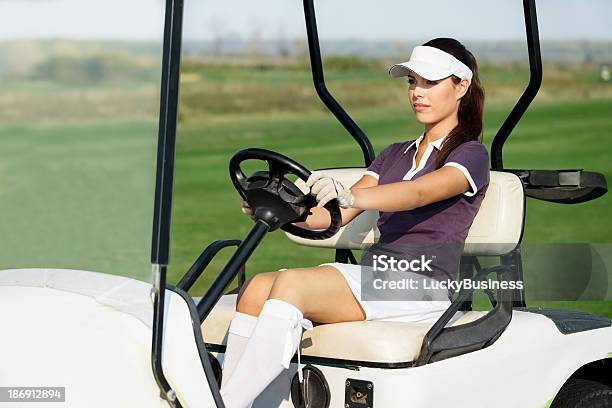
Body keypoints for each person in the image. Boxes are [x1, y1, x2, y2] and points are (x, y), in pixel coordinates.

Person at [219, 37, 489, 408]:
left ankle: (231, 404)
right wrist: (283, 210)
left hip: (424, 283)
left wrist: (353, 194)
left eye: (430, 82)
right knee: (255, 288)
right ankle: (236, 400)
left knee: (291, 283)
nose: (417, 93)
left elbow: (419, 194)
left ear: (461, 86)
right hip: (378, 280)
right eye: (412, 82)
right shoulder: (394, 154)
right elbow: (333, 217)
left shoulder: (470, 154)